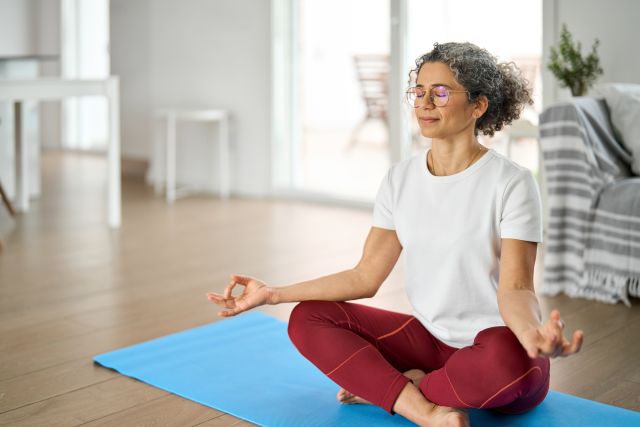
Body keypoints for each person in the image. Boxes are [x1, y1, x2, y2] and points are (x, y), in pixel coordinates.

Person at [206, 42, 584, 427]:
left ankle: (395, 389)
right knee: (307, 318)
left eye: (440, 93)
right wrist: (273, 294)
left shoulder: (512, 183)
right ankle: (421, 409)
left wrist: (531, 333)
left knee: (512, 360)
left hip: (495, 348)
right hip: (428, 340)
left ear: (478, 106)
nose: (424, 104)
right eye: (418, 92)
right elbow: (364, 277)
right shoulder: (400, 179)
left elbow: (517, 288)